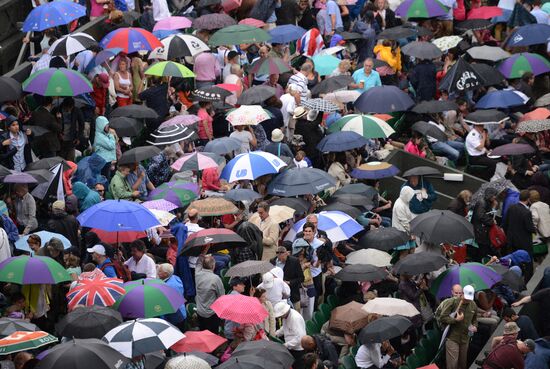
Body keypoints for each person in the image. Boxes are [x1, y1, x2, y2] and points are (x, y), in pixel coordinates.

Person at [438, 284, 478, 369]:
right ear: (462, 294)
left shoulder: (473, 305)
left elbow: (475, 319)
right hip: (452, 337)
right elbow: (442, 317)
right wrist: (456, 320)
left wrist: (474, 326)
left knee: (463, 363)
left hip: (465, 338)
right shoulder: (452, 302)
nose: (468, 300)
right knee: (453, 364)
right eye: (466, 297)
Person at [502, 190, 537, 257]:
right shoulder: (527, 212)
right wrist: (534, 229)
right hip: (523, 242)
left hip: (511, 240)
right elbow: (530, 228)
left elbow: (505, 223)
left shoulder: (511, 207)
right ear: (528, 199)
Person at [195, 254, 225, 333]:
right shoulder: (216, 279)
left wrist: (203, 253)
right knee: (213, 336)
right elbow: (221, 297)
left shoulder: (197, 274)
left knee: (203, 335)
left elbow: (198, 263)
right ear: (213, 265)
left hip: (200, 312)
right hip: (212, 314)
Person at [274, 301, 306, 369]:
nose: (280, 317)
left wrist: (286, 345)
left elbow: (300, 337)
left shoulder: (295, 318)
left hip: (298, 350)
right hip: (291, 347)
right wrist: (276, 333)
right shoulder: (286, 317)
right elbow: (285, 328)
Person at [271, 246, 304, 310]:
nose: (281, 259)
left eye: (283, 256)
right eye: (279, 256)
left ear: (287, 253)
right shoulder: (272, 261)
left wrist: (289, 282)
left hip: (292, 294)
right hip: (278, 295)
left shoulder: (294, 261)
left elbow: (301, 278)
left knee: (295, 315)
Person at [470, 188, 497, 260]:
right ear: (490, 195)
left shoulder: (487, 202)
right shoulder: (482, 203)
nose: (495, 197)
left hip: (482, 230)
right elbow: (480, 216)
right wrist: (491, 221)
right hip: (480, 231)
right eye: (494, 195)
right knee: (481, 250)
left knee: (482, 250)